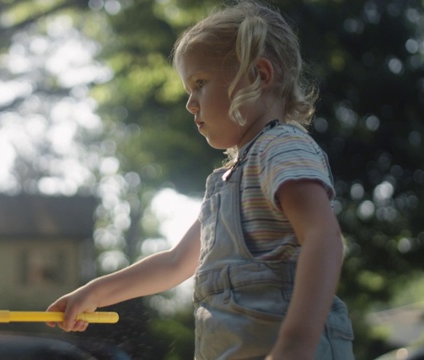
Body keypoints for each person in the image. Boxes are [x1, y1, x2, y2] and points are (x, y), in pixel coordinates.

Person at [47, 1, 355, 358]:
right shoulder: (223, 184)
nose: (191, 104)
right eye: (188, 90)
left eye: (200, 83)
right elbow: (177, 262)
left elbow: (323, 235)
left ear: (259, 75)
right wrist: (95, 293)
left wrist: (297, 342)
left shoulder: (280, 147)